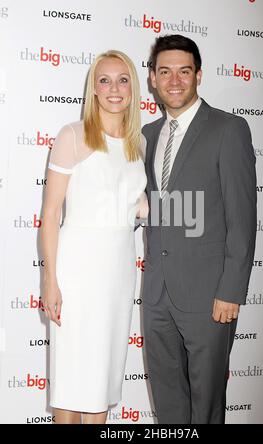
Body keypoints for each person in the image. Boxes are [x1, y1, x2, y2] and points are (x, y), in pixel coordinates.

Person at [142, 34, 257, 424]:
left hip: (211, 298)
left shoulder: (229, 129)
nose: (174, 81)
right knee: (169, 405)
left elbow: (243, 219)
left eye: (184, 71)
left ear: (199, 76)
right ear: (153, 79)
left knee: (206, 407)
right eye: (165, 72)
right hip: (157, 295)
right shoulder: (146, 136)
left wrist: (231, 291)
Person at [41, 50, 147, 424]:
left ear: (133, 88)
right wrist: (49, 280)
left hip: (119, 272)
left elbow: (138, 205)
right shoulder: (72, 135)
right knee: (72, 382)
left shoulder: (140, 145)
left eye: (123, 79)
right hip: (79, 272)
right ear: (94, 89)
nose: (114, 88)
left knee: (101, 380)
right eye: (105, 80)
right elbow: (51, 214)